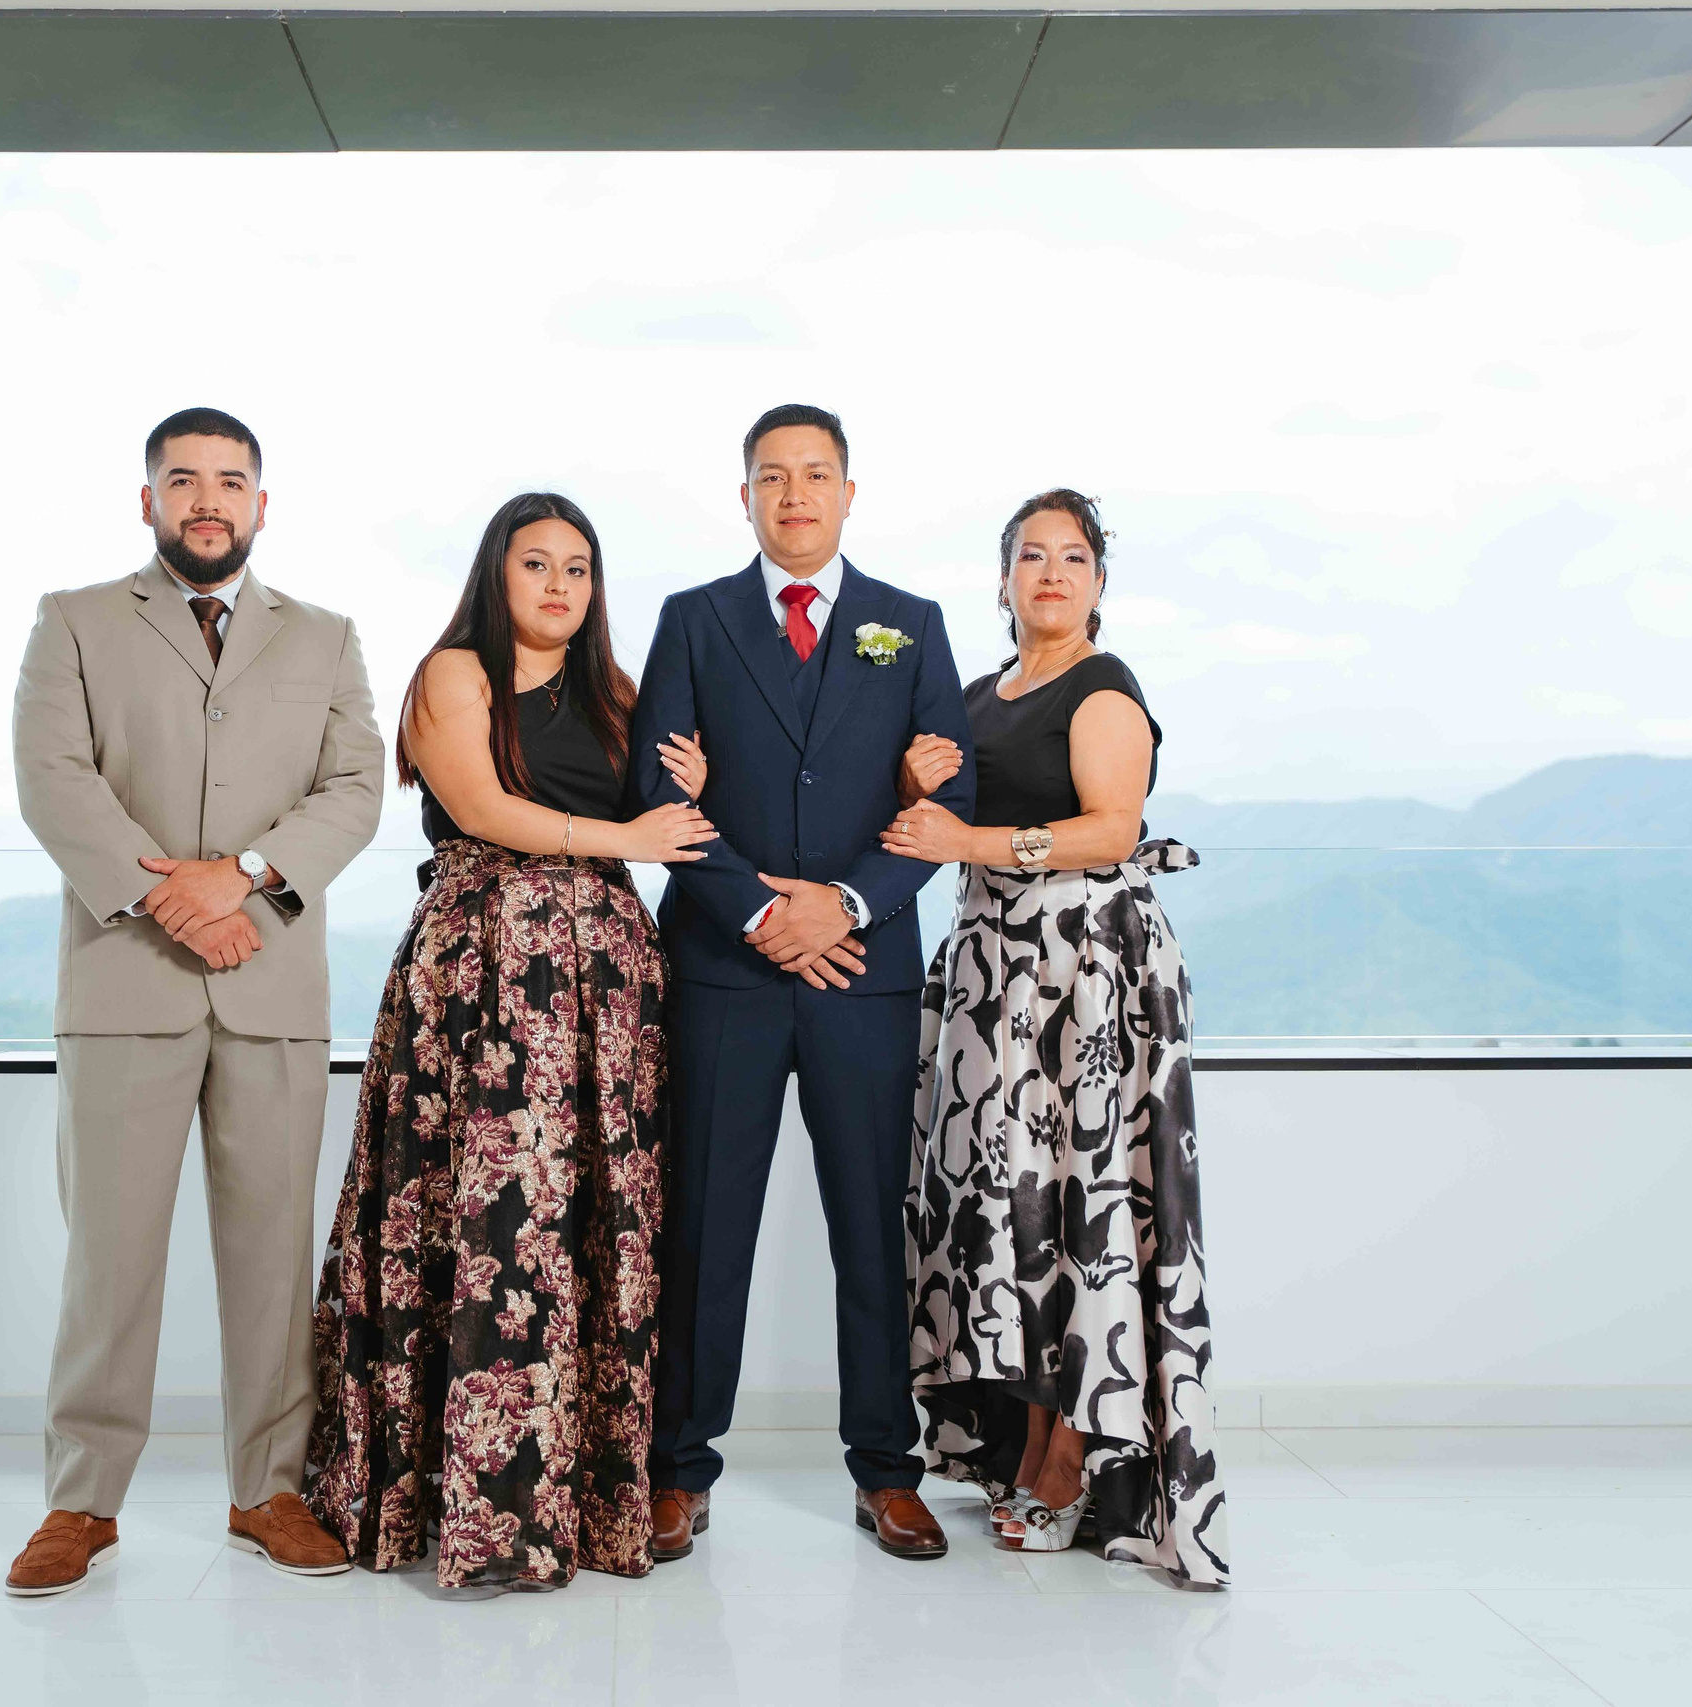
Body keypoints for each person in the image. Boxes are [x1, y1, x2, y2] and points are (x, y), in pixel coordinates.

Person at [4, 407, 383, 1596]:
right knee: (107, 1261)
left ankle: (267, 1489)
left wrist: (246, 883)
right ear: (149, 500)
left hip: (271, 988)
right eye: (183, 480)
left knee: (272, 1258)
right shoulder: (71, 623)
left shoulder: (324, 638)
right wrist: (167, 899)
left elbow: (355, 787)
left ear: (262, 505)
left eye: (230, 481)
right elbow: (54, 782)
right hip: (126, 984)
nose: (206, 499)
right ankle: (82, 1502)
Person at [304, 492, 715, 1591]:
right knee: (484, 1219)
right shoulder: (455, 675)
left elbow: (682, 809)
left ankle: (576, 1504)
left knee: (585, 1225)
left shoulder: (616, 694)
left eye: (578, 569)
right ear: (496, 573)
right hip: (485, 973)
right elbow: (482, 806)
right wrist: (624, 835)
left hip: (606, 993)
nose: (557, 586)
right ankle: (463, 1506)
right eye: (535, 564)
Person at [626, 404, 976, 1563]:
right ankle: (678, 1470)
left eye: (815, 476)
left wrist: (849, 906)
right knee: (705, 1226)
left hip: (864, 974)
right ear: (743, 498)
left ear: (848, 493)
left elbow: (948, 808)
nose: (793, 496)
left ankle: (887, 1471)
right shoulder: (693, 620)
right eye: (771, 478)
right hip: (726, 969)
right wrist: (770, 912)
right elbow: (659, 796)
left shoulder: (909, 626)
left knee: (871, 1227)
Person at [885, 488, 1227, 1587]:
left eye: (1072, 557)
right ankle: (1029, 1431)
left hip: (1083, 974)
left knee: (1083, 1199)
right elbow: (933, 823)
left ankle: (1074, 1445)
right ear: (1000, 580)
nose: (1050, 572)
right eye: (1030, 555)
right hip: (995, 977)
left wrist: (966, 833)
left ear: (1097, 583)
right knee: (1008, 1213)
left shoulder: (1102, 687)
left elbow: (1110, 828)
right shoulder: (982, 695)